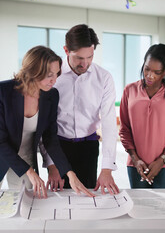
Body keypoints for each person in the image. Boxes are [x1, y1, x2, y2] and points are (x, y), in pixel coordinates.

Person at [0, 45, 94, 199]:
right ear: (34, 72)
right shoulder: (2, 91)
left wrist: (69, 173)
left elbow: (50, 139)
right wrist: (30, 172)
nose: (54, 80)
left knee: (25, 201)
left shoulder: (51, 95)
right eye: (49, 75)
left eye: (56, 74)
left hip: (25, 155)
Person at [41, 24, 119, 195]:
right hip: (58, 146)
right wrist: (51, 164)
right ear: (66, 50)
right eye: (78, 58)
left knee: (87, 197)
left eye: (90, 57)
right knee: (59, 198)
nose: (85, 63)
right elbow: (44, 123)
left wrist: (107, 169)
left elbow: (108, 123)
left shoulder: (104, 78)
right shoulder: (53, 77)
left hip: (88, 147)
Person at [119, 43, 165, 188]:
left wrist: (162, 160)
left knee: (164, 209)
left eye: (157, 72)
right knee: (139, 209)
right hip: (136, 165)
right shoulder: (129, 90)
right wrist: (135, 159)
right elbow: (124, 130)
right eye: (147, 69)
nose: (149, 75)